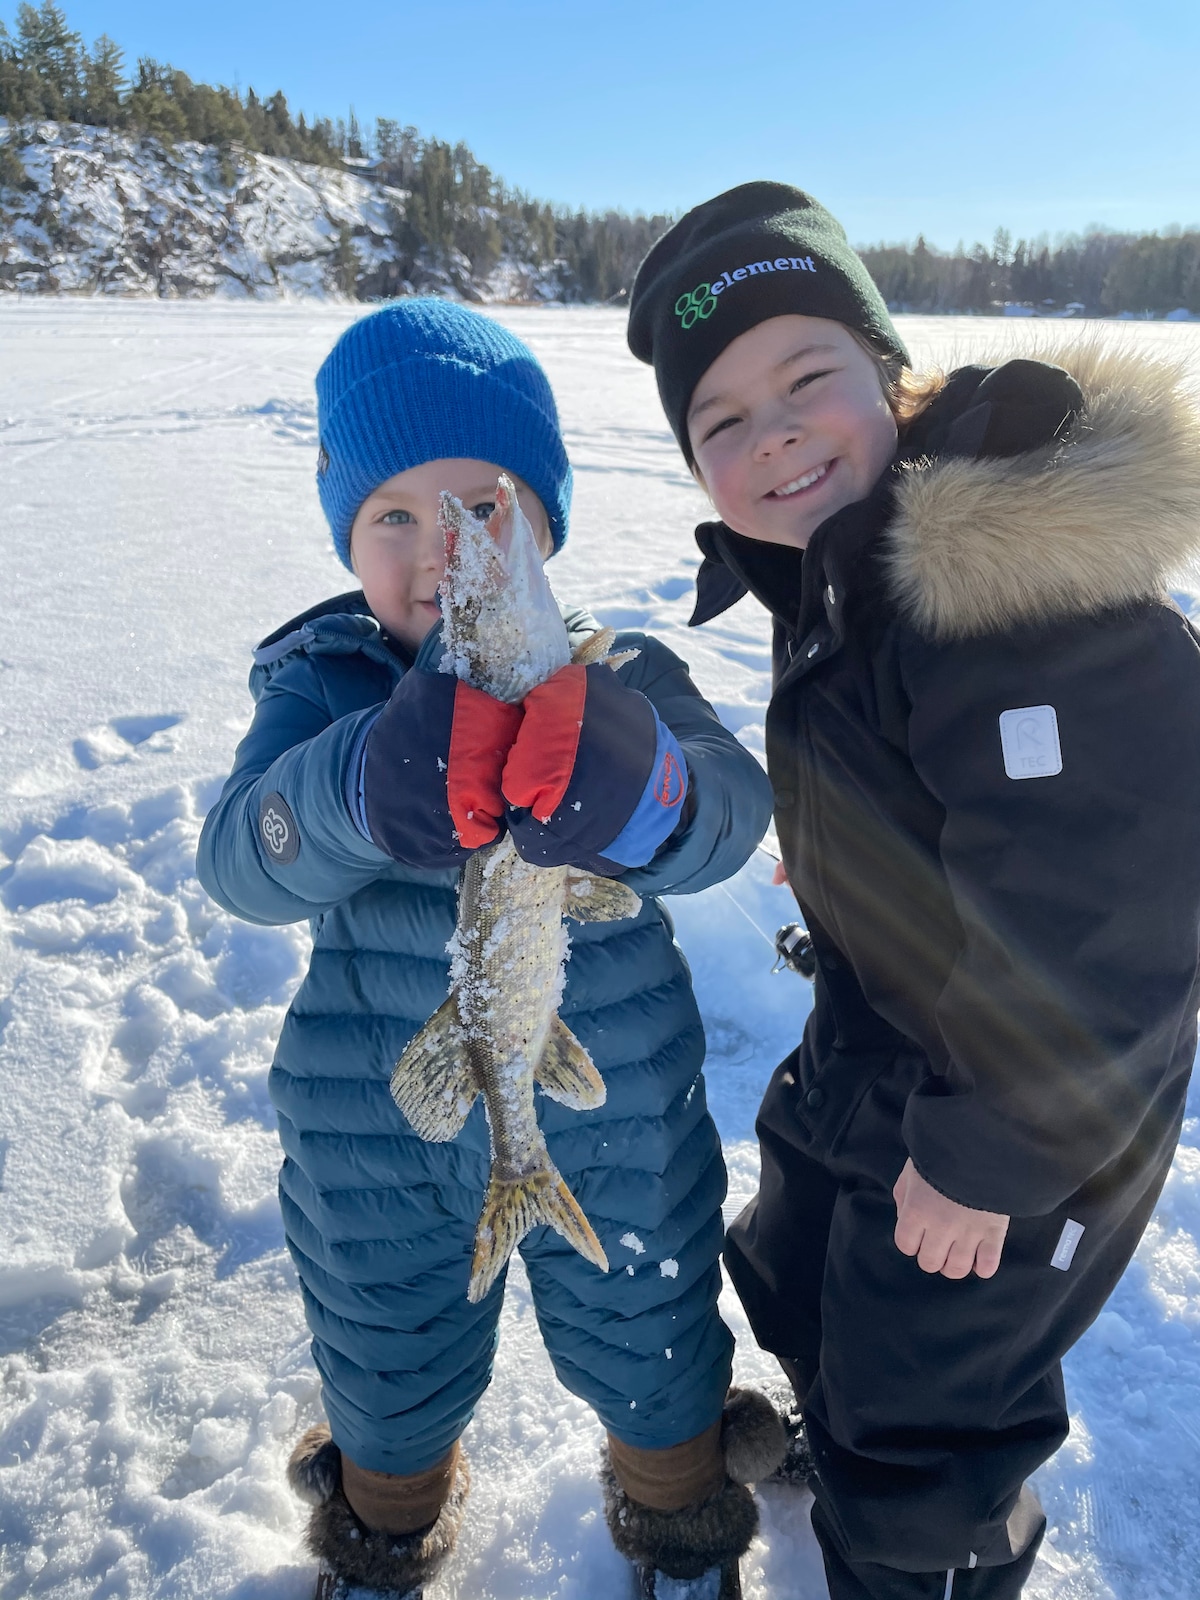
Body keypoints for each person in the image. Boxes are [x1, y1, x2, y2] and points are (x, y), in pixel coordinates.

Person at [626, 180, 1200, 1600]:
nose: (772, 437)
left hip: (1031, 1088)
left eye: (806, 378)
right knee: (808, 1263)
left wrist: (988, 1150)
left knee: (928, 1402)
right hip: (899, 1029)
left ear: (890, 373)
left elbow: (1118, 906)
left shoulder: (1008, 585)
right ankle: (848, 1441)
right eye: (721, 422)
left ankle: (918, 1548)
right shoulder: (846, 568)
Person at [196, 299, 784, 1600]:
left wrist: (647, 790)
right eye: (394, 515)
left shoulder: (623, 674)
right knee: (382, 1352)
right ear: (346, 530)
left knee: (654, 1337)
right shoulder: (324, 687)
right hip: (377, 1128)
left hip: (614, 1114)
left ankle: (684, 1531)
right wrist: (352, 787)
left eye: (482, 508)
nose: (439, 550)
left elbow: (727, 817)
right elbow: (239, 856)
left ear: (543, 527)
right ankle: (381, 1531)